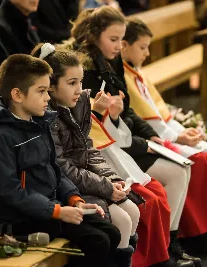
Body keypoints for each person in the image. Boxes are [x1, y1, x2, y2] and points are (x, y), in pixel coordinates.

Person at [70, 6, 195, 267]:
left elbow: (128, 112)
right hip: (109, 148)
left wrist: (150, 137)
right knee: (154, 192)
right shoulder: (87, 71)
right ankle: (158, 255)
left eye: (121, 40)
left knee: (173, 176)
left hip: (118, 140)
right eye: (113, 39)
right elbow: (88, 130)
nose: (118, 46)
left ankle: (170, 247)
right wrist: (110, 117)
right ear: (94, 35)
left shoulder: (108, 62)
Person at [0, 54, 121, 267]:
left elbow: (54, 169)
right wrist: (57, 211)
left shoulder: (40, 125)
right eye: (41, 91)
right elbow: (11, 192)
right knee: (97, 241)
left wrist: (74, 200)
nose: (48, 98)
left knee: (111, 232)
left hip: (51, 209)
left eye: (47, 90)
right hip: (22, 221)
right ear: (17, 95)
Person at [121, 18, 207, 255]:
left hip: (164, 133)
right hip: (150, 139)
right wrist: (176, 137)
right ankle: (192, 233)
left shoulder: (135, 72)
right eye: (142, 47)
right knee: (198, 159)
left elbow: (157, 109)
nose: (147, 53)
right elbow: (145, 118)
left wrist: (181, 132)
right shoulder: (122, 75)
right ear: (124, 45)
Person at [31, 43, 138, 266]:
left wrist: (112, 179)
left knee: (132, 211)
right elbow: (62, 168)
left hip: (86, 182)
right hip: (66, 191)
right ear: (50, 86)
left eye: (80, 81)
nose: (79, 89)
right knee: (122, 220)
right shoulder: (47, 117)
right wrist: (106, 187)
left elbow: (88, 149)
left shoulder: (78, 104)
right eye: (72, 83)